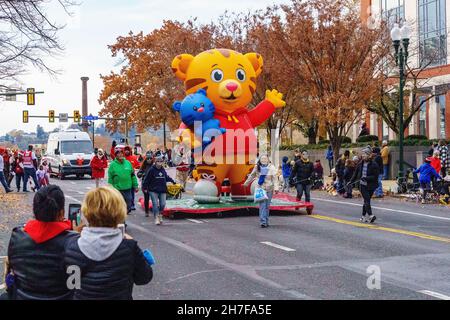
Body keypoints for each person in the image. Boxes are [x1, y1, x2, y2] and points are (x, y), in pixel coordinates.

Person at [64, 186, 153, 300]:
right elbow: (144, 278)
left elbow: (71, 286)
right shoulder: (128, 247)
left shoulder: (72, 248)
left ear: (86, 213)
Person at [6, 186, 77, 300]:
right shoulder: (73, 242)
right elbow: (76, 285)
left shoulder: (17, 236)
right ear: (62, 212)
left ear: (35, 210)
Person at [244, 154, 279, 228]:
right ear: (259, 160)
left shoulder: (272, 167)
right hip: (260, 188)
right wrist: (246, 183)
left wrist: (276, 188)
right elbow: (252, 175)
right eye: (262, 159)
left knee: (267, 206)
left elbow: (275, 178)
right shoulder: (257, 167)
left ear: (268, 160)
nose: (264, 160)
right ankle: (263, 221)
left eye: (265, 159)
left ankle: (266, 220)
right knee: (262, 205)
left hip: (269, 188)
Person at [142, 156, 176, 225]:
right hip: (153, 190)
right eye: (158, 161)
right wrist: (145, 188)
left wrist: (172, 181)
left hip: (162, 189)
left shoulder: (163, 169)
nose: (159, 163)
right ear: (155, 162)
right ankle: (156, 217)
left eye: (161, 161)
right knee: (155, 204)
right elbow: (147, 179)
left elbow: (166, 177)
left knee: (163, 204)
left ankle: (160, 214)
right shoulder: (151, 170)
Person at [350, 147, 379, 223]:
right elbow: (355, 174)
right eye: (362, 154)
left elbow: (375, 176)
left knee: (366, 201)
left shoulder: (374, 165)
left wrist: (366, 178)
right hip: (362, 185)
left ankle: (363, 217)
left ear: (369, 155)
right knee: (367, 200)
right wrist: (350, 181)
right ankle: (370, 215)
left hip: (371, 185)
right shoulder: (360, 164)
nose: (363, 156)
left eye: (365, 154)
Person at [108, 148, 139, 214]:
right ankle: (121, 221)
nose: (120, 155)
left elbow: (132, 175)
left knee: (128, 205)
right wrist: (110, 187)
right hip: (117, 188)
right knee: (119, 206)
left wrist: (135, 185)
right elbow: (110, 177)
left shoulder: (128, 163)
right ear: (116, 155)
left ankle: (123, 215)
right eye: (118, 153)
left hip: (128, 188)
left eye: (121, 153)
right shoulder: (113, 165)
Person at [137, 153, 154, 217]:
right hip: (145, 185)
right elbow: (138, 174)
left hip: (153, 185)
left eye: (150, 159)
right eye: (148, 159)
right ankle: (146, 211)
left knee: (154, 198)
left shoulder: (154, 166)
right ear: (146, 160)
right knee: (146, 198)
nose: (149, 160)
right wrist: (142, 174)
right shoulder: (143, 167)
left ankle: (155, 210)